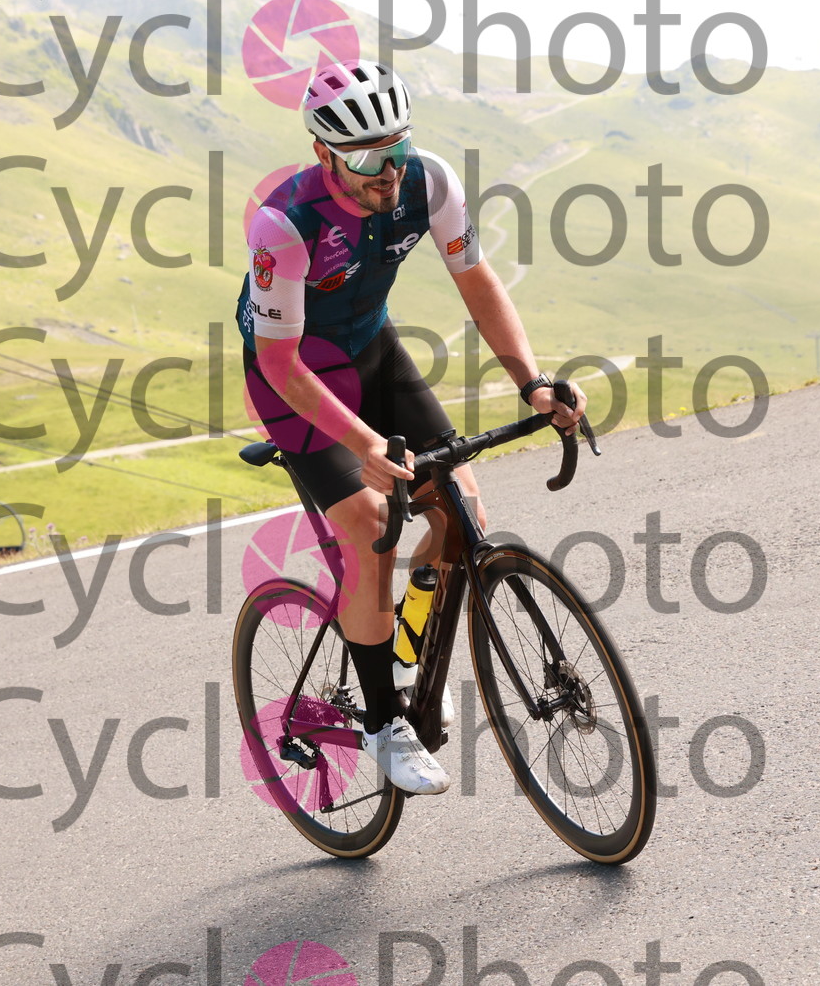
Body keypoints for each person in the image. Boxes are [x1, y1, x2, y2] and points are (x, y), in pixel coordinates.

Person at [235, 59, 584, 795]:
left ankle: (405, 647)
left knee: (461, 509)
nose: (387, 170)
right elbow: (280, 364)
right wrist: (364, 446)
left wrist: (532, 381)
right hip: (296, 380)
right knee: (371, 529)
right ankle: (381, 720)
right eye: (367, 158)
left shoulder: (429, 182)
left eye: (396, 148)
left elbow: (477, 282)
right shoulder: (285, 226)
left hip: (372, 352)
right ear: (324, 153)